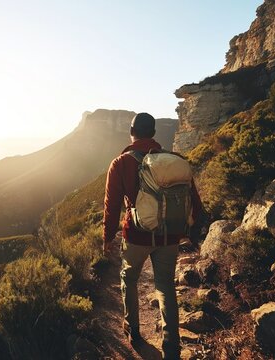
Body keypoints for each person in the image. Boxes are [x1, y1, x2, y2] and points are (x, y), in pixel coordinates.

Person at [102, 112, 202, 360]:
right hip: (169, 235)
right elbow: (194, 200)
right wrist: (193, 230)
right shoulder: (175, 159)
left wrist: (107, 238)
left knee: (129, 279)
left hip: (136, 235)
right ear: (155, 133)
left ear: (132, 132)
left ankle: (134, 332)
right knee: (166, 288)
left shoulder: (121, 162)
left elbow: (111, 205)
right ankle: (171, 347)